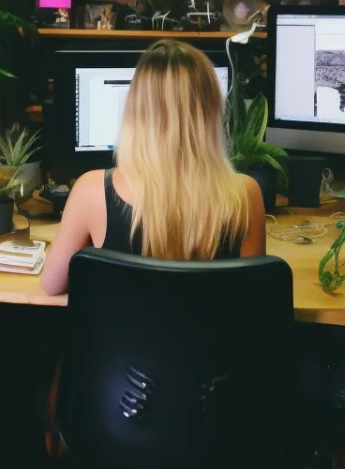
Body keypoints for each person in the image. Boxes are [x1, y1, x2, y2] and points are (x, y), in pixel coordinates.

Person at [41, 39, 266, 296]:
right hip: (214, 336)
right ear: (212, 111)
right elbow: (253, 295)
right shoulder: (246, 195)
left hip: (121, 338)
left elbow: (52, 285)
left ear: (135, 110)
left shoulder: (91, 191)